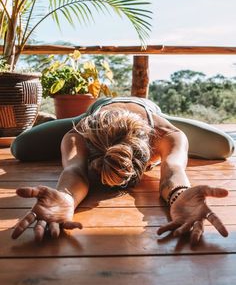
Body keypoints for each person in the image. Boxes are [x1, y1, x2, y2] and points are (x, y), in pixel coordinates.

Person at [11, 96, 235, 244]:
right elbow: (74, 169)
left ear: (151, 151)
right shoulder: (77, 133)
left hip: (148, 110)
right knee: (20, 147)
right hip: (100, 106)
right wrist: (66, 198)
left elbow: (172, 169)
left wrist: (179, 193)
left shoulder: (166, 133)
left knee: (225, 146)